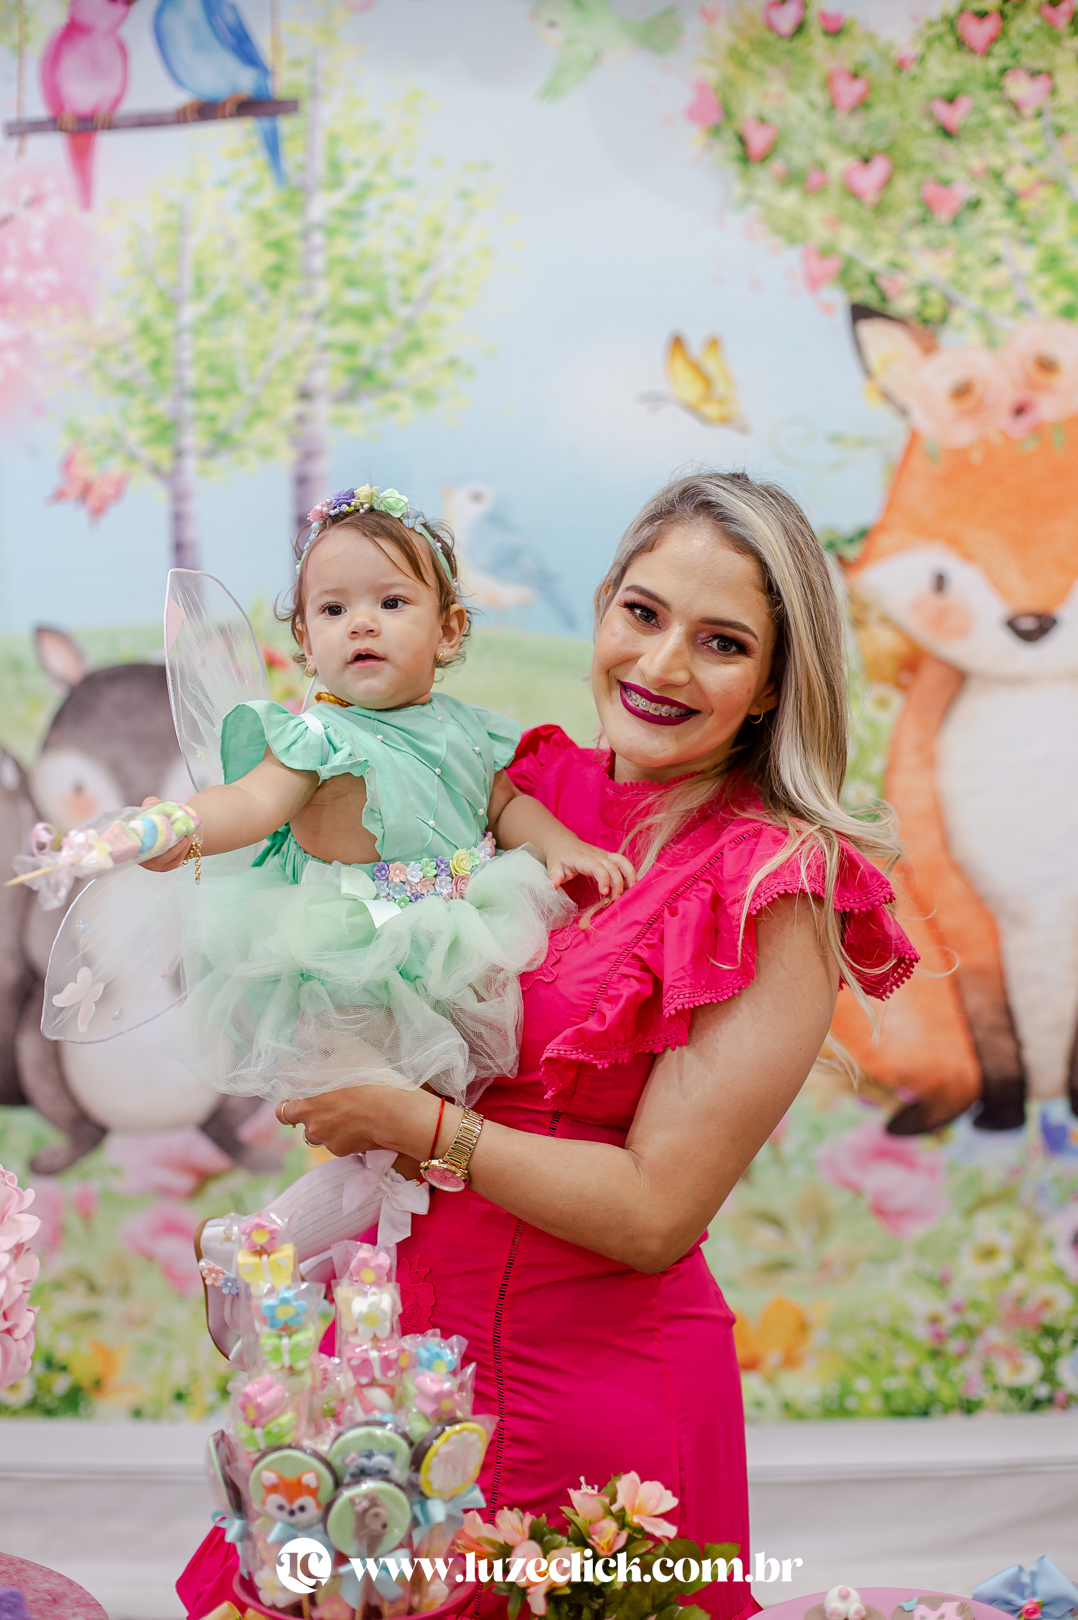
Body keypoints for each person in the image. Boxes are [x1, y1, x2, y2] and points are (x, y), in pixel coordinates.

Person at [178, 471, 917, 1620]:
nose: (663, 665)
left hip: (598, 1421)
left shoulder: (776, 881)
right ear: (604, 606)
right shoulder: (517, 782)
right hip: (398, 1399)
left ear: (776, 682)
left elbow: (655, 1212)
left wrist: (419, 1125)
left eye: (722, 643)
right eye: (642, 612)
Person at [139, 483, 632, 1107]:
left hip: (464, 930)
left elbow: (505, 805)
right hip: (357, 954)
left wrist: (560, 845)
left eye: (392, 602)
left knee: (468, 1095)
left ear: (448, 631)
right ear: (306, 642)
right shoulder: (316, 738)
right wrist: (186, 825)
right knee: (369, 1103)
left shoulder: (466, 725)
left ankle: (442, 1154)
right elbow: (252, 803)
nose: (361, 623)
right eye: (333, 610)